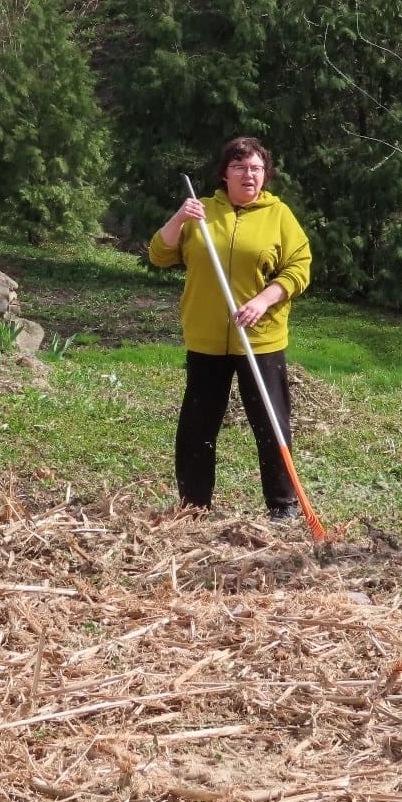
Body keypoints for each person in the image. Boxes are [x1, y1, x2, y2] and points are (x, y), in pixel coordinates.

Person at [148, 137, 312, 521]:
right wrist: (180, 217)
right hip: (206, 337)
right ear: (224, 174)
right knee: (197, 427)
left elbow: (299, 268)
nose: (248, 175)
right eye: (239, 167)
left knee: (271, 424)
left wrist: (263, 300)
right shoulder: (201, 212)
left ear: (265, 174)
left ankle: (282, 505)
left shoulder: (279, 215)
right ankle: (194, 506)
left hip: (260, 337)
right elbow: (159, 254)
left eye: (256, 168)